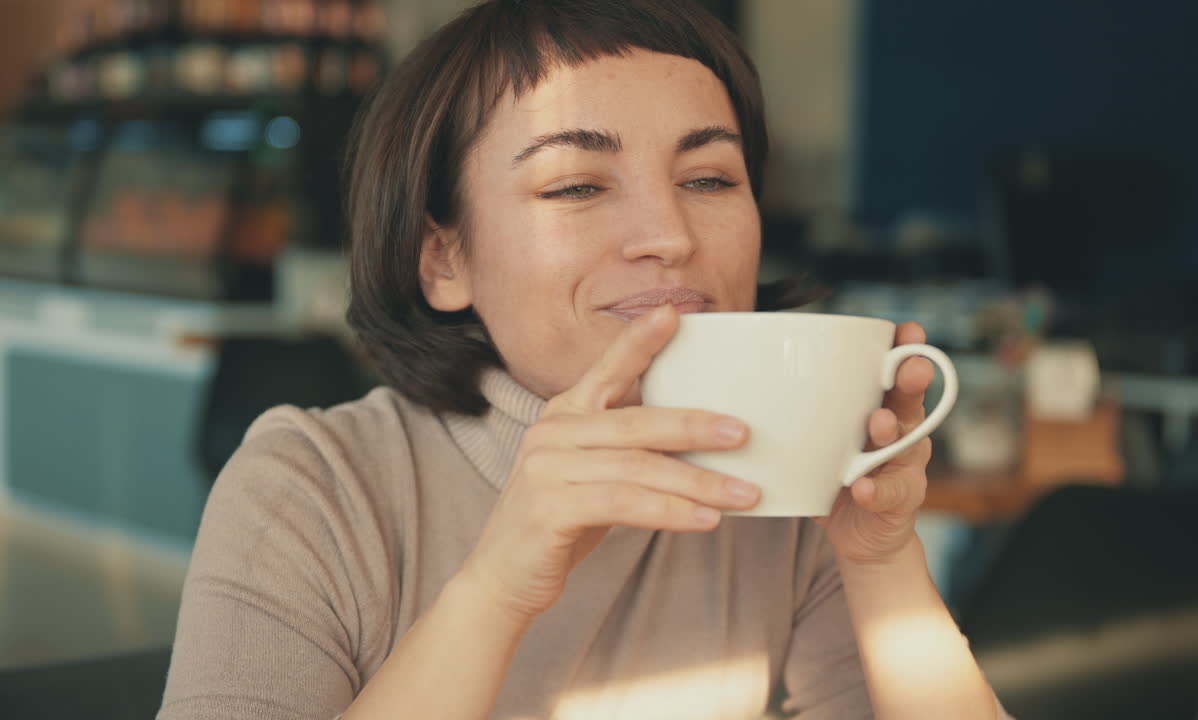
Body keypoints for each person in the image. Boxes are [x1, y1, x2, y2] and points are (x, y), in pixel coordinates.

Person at [159, 1, 1013, 718]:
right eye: (576, 185)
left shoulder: (784, 500)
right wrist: (498, 589)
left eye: (709, 179)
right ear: (443, 259)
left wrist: (880, 560)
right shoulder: (309, 487)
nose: (669, 237)